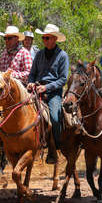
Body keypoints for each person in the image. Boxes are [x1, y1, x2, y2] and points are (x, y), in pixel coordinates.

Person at [27, 24, 69, 163]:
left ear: (55, 39)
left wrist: (47, 88)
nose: (44, 40)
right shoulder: (39, 54)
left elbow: (63, 79)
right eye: (43, 38)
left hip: (53, 92)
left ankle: (56, 147)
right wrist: (31, 82)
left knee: (55, 118)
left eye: (47, 38)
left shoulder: (62, 56)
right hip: (36, 89)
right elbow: (32, 73)